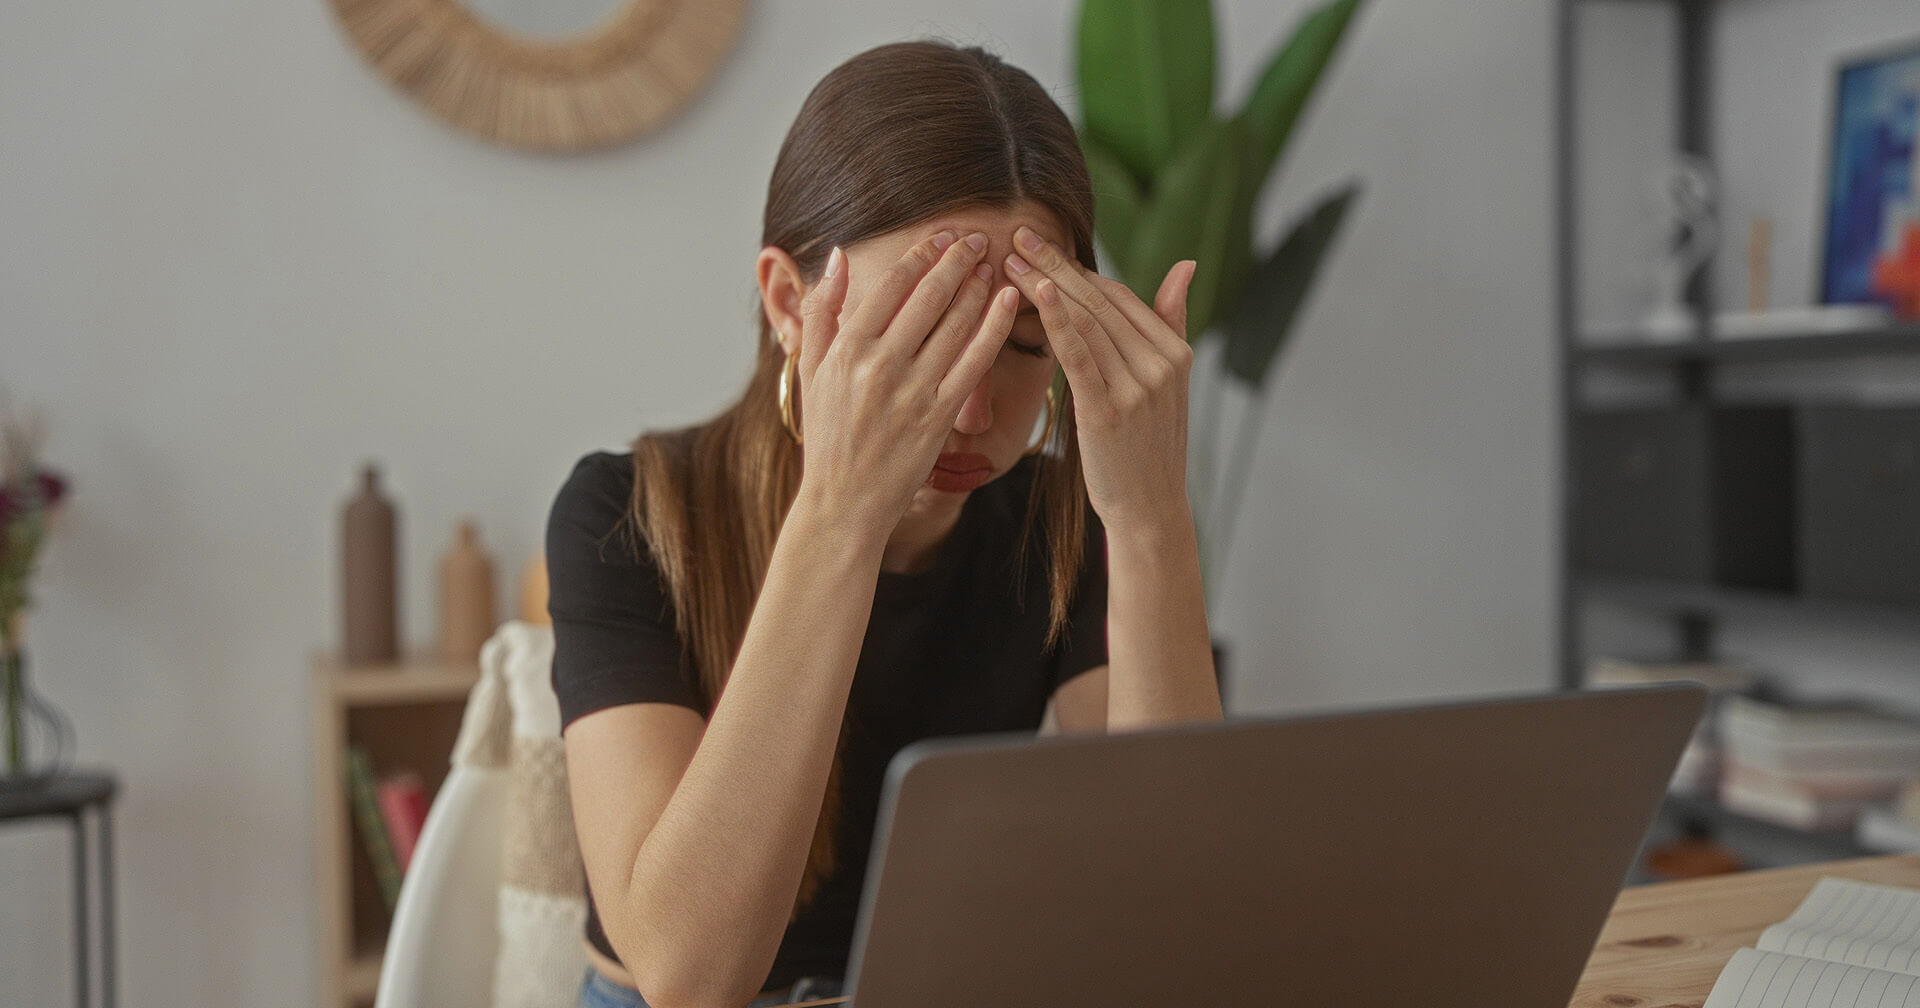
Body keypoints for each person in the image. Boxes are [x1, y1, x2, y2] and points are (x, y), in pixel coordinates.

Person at [547, 39, 1222, 1008]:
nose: (974, 412)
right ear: (788, 302)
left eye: (1023, 344)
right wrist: (840, 517)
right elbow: (688, 976)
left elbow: (1176, 937)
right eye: (925, 337)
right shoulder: (625, 516)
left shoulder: (1055, 520)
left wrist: (1152, 526)